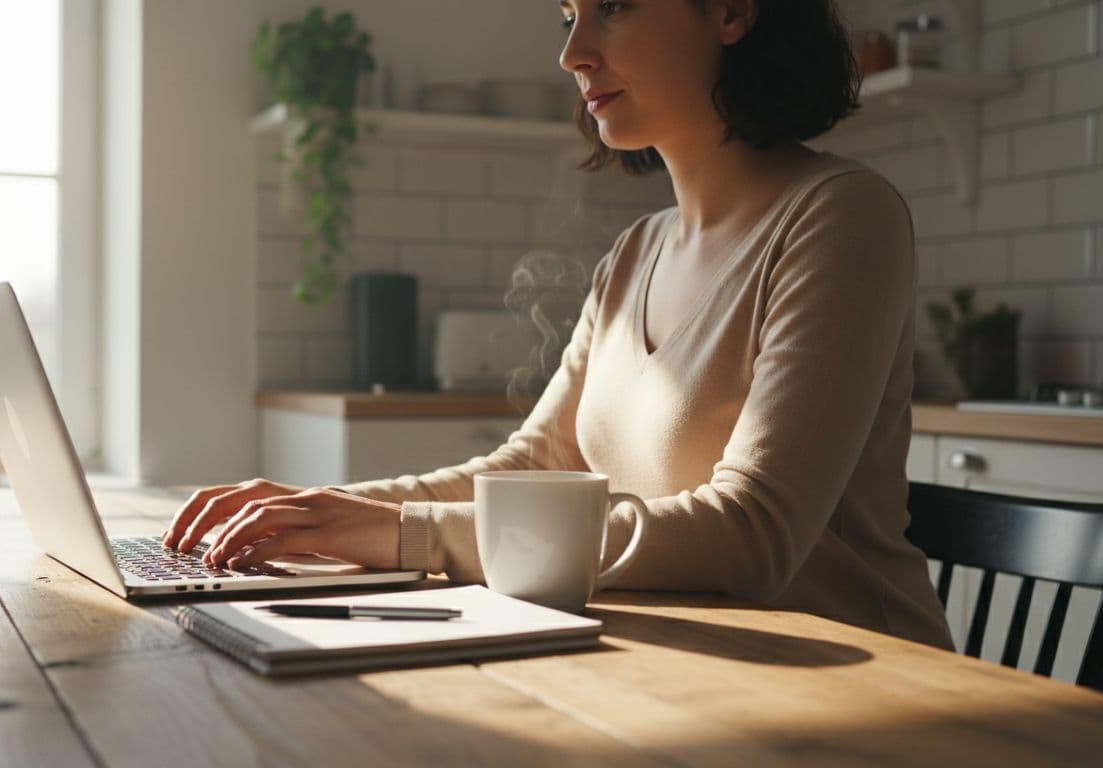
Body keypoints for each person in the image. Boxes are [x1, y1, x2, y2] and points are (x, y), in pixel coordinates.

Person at [164, 0, 953, 650]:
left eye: (611, 8)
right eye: (568, 15)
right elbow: (531, 465)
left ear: (731, 12)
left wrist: (404, 534)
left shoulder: (842, 215)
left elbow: (754, 534)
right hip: (687, 670)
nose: (573, 52)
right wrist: (315, 514)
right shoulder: (634, 254)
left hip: (865, 694)